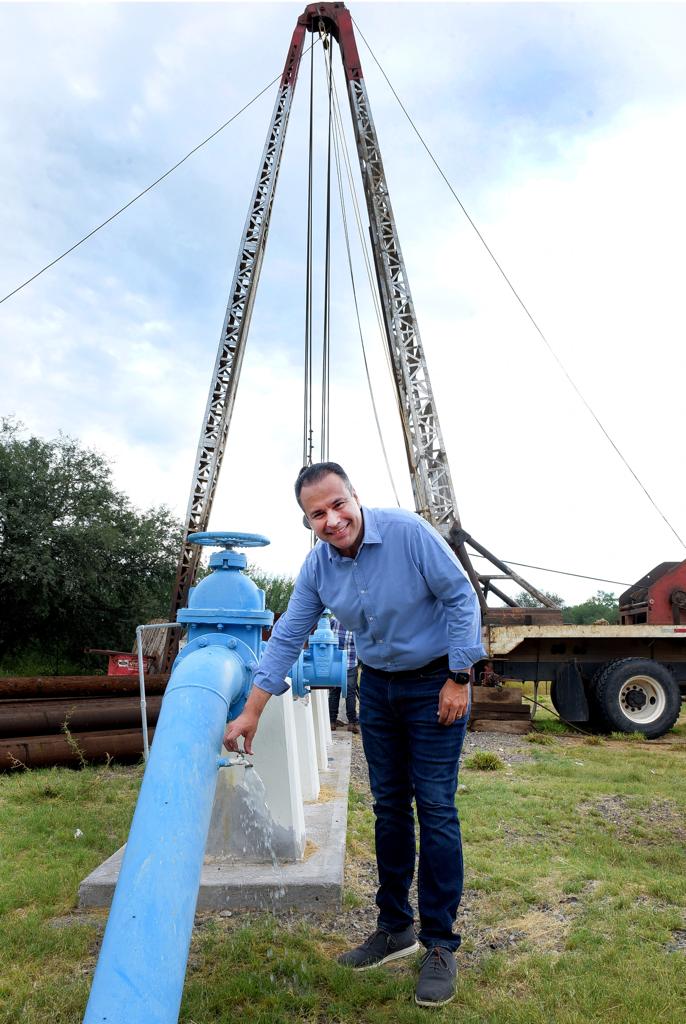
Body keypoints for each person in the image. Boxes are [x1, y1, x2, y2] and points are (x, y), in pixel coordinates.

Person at [225, 462, 486, 1008]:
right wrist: (251, 711)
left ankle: (439, 943)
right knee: (389, 807)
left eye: (337, 504)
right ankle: (395, 928)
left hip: (436, 681)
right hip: (379, 688)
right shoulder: (318, 566)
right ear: (308, 522)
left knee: (435, 806)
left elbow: (461, 598)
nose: (333, 520)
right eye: (317, 514)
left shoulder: (409, 534)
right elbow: (289, 635)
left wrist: (460, 677)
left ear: (355, 497)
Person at [328, 615, 359, 734]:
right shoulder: (357, 622)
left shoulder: (333, 620)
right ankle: (352, 723)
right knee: (350, 694)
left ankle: (331, 721)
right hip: (351, 663)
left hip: (335, 664)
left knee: (334, 693)